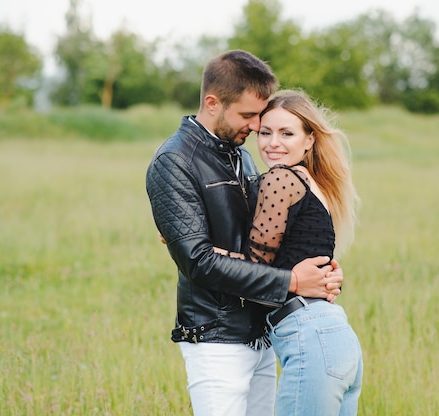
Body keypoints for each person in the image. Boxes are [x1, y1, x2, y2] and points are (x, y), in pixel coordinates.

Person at [145, 50, 344, 416]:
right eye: (249, 116)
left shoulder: (243, 156)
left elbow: (275, 236)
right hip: (216, 335)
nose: (256, 128)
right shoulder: (174, 161)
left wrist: (325, 272)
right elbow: (198, 262)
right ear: (212, 103)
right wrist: (293, 282)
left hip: (261, 330)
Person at [249, 89, 363, 415]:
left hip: (309, 339)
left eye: (287, 133)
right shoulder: (314, 184)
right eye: (265, 132)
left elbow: (255, 267)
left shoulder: (280, 179)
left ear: (309, 140)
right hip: (336, 338)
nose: (273, 143)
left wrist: (198, 249)